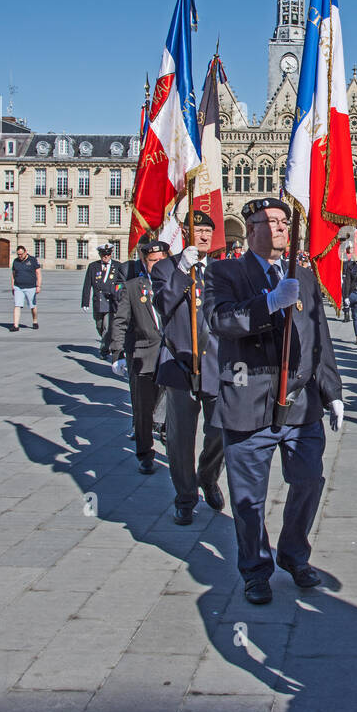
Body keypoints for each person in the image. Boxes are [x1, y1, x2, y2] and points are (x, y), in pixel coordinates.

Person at [204, 197, 344, 605]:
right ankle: (255, 569)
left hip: (301, 407)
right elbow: (221, 320)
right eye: (273, 222)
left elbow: (320, 336)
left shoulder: (304, 273)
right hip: (247, 405)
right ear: (251, 230)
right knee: (249, 499)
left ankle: (293, 553)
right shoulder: (224, 271)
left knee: (307, 482)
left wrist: (332, 392)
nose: (283, 228)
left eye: (285, 221)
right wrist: (267, 304)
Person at [152, 211, 225, 525]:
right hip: (179, 361)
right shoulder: (166, 268)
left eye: (209, 230)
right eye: (199, 230)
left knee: (222, 430)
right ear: (184, 231)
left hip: (215, 363)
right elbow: (163, 305)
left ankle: (207, 475)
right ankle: (185, 497)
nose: (205, 236)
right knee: (180, 438)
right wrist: (182, 271)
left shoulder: (222, 271)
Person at [110, 239, 169, 474]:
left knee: (172, 405)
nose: (158, 265)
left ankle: (169, 437)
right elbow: (120, 321)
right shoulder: (133, 286)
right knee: (144, 409)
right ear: (144, 262)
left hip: (171, 355)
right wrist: (118, 353)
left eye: (162, 261)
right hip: (144, 355)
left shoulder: (177, 284)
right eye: (153, 261)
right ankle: (145, 452)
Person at [80, 244, 124, 355]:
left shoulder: (118, 266)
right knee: (99, 326)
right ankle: (107, 342)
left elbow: (121, 283)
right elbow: (87, 284)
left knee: (107, 328)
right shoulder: (93, 266)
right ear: (100, 255)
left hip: (111, 301)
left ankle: (104, 350)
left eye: (108, 254)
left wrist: (118, 293)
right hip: (98, 301)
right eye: (104, 254)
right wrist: (85, 302)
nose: (106, 256)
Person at [10, 244, 41, 332]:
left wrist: (38, 285)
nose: (20, 256)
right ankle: (15, 325)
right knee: (17, 305)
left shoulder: (32, 260)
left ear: (25, 252)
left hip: (31, 287)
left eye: (21, 254)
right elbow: (13, 274)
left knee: (33, 306)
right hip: (18, 287)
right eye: (18, 254)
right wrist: (12, 286)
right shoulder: (16, 261)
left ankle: (35, 321)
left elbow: (38, 273)